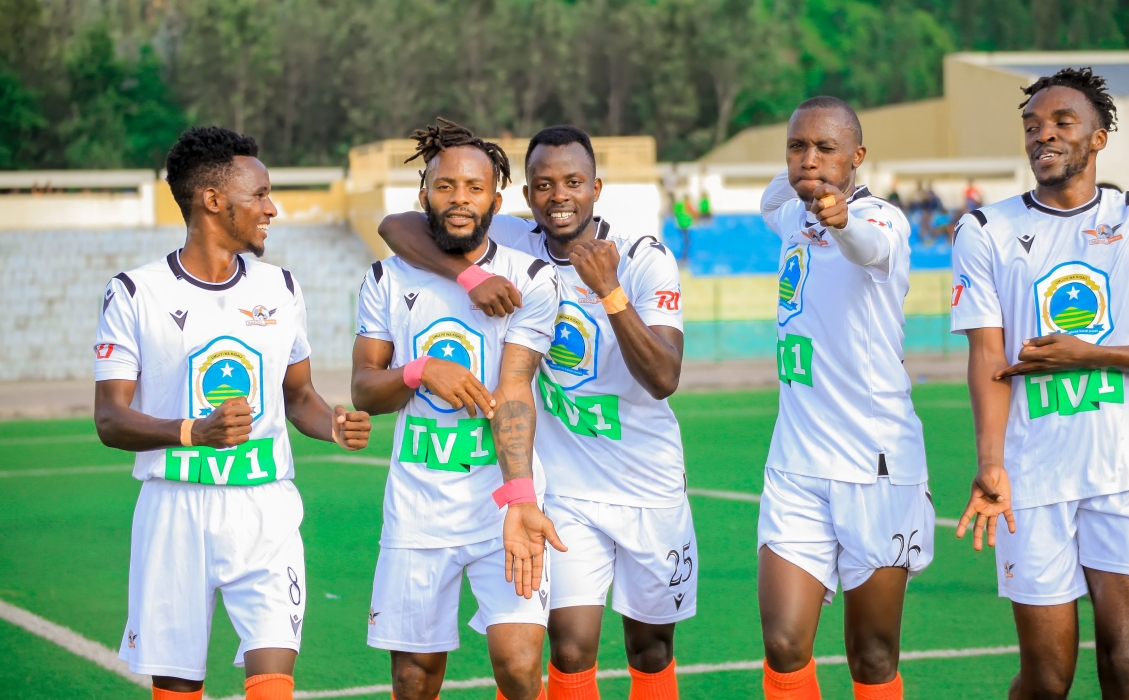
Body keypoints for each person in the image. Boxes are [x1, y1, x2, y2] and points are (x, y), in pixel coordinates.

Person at [379, 124, 694, 700]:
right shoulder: (516, 240)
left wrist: (610, 292)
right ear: (524, 196)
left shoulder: (643, 257)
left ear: (598, 187)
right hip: (566, 489)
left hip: (649, 483)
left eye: (574, 182)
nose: (559, 196)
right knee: (569, 648)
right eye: (544, 185)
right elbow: (396, 225)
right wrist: (469, 274)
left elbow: (663, 378)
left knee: (651, 648)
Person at [93, 126, 373, 700]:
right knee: (177, 687)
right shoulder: (134, 293)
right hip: (174, 510)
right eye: (260, 194)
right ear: (213, 200)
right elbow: (110, 419)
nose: (273, 208)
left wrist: (335, 425)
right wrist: (193, 431)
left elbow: (300, 399)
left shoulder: (281, 286)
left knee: (273, 684)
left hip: (265, 507)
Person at [952, 67, 1129, 699]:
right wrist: (990, 462)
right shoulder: (986, 230)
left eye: (1063, 123)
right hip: (1031, 479)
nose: (1044, 136)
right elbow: (988, 357)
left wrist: (1092, 355)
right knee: (1047, 678)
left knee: (1127, 660)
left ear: (1098, 138)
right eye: (1033, 126)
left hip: (1122, 472)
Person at [352, 118, 565, 700]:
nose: (459, 200)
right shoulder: (386, 278)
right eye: (445, 187)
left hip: (499, 503)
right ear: (423, 194)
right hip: (417, 508)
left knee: (519, 666)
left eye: (474, 188)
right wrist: (420, 370)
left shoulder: (531, 280)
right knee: (415, 677)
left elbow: (516, 388)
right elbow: (365, 391)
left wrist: (521, 500)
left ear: (497, 200)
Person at [756, 96, 932, 700]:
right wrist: (810, 177)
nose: (809, 159)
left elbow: (866, 246)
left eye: (826, 148)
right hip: (796, 464)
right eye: (796, 147)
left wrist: (840, 216)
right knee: (783, 644)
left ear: (858, 157)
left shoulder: (882, 220)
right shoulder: (789, 214)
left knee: (873, 655)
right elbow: (772, 197)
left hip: (876, 466)